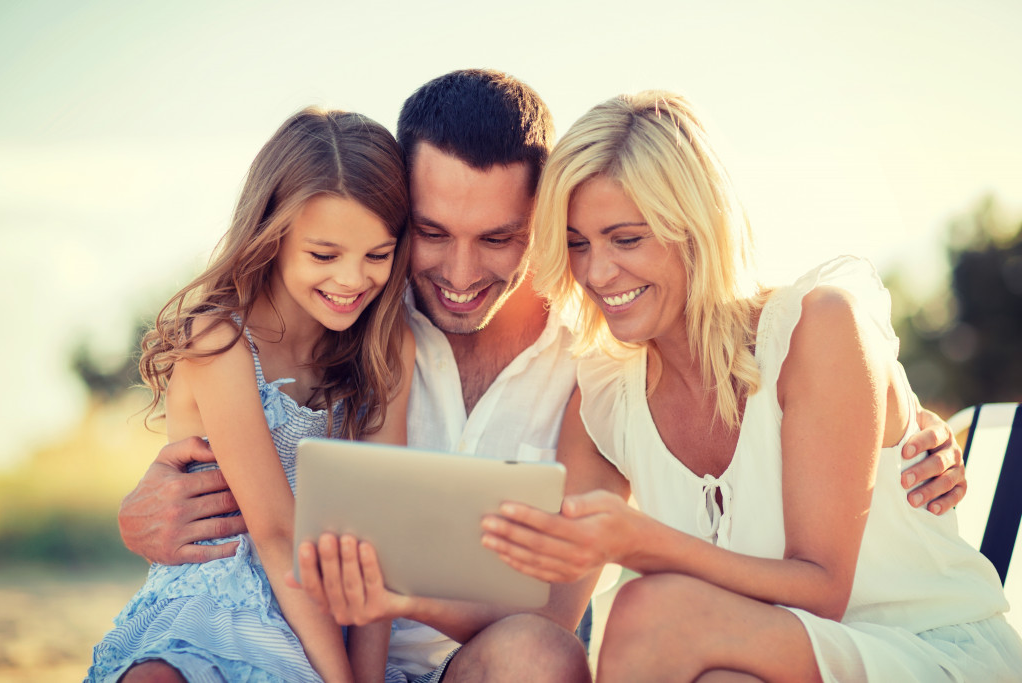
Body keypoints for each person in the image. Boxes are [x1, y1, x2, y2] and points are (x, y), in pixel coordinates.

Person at [118, 71, 968, 683]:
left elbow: (768, 363)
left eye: (500, 238)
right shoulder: (362, 321)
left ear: (543, 218)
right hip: (319, 653)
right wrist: (144, 503)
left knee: (546, 649)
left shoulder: (595, 358)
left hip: (488, 665)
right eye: (429, 232)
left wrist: (916, 428)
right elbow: (253, 399)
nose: (458, 271)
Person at [480, 90, 1022, 681]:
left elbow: (821, 593)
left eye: (627, 239)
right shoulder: (608, 391)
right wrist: (398, 602)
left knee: (653, 611)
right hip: (760, 659)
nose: (596, 272)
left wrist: (640, 542)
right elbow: (548, 619)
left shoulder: (819, 330)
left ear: (697, 228)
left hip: (921, 651)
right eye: (578, 244)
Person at [88, 107, 415, 683]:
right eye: (324, 255)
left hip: (324, 618)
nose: (351, 279)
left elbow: (375, 532)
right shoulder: (220, 339)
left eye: (378, 255)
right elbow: (273, 530)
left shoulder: (389, 348)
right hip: (218, 602)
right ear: (272, 234)